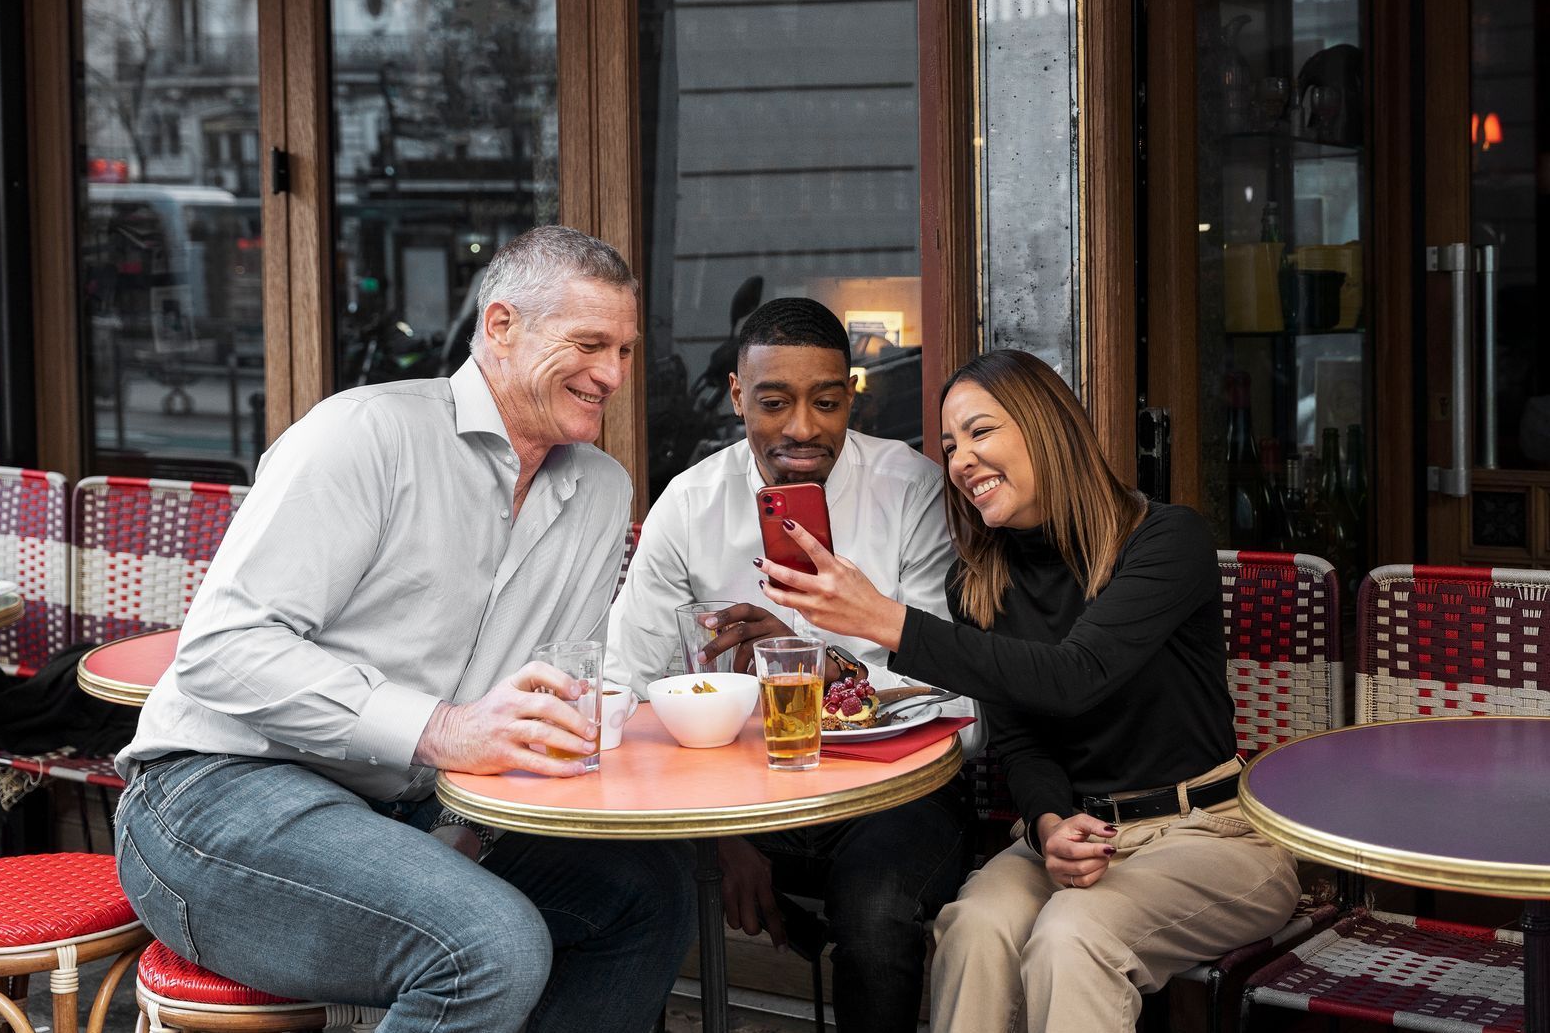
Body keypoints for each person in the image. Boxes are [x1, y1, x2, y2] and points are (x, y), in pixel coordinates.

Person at [114, 226, 695, 1033]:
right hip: (213, 795)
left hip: (410, 810)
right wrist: (442, 730)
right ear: (500, 327)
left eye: (626, 350)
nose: (614, 374)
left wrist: (466, 825)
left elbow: (541, 697)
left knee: (652, 891)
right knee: (492, 943)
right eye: (591, 343)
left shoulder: (600, 490)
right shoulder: (365, 434)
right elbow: (221, 650)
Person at [754, 349, 1301, 1032]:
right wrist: (1047, 826)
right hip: (1075, 832)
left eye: (981, 432)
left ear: (1047, 427)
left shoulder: (1166, 539)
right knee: (975, 925)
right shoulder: (981, 581)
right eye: (950, 445)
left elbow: (1077, 676)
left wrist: (883, 620)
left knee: (1073, 935)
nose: (960, 461)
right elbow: (1019, 732)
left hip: (1210, 833)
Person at [606, 296, 978, 1033]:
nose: (803, 427)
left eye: (827, 400)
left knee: (876, 910)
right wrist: (720, 835)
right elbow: (628, 686)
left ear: (851, 395)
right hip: (731, 798)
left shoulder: (909, 491)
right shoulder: (692, 504)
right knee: (621, 889)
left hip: (891, 797)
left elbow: (960, 709)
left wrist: (811, 661)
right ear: (740, 394)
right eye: (775, 401)